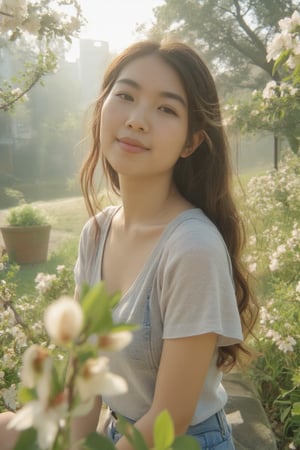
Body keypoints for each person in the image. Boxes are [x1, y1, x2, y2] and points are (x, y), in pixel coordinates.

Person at [0, 40, 258, 450]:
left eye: (166, 109)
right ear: (103, 107)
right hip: (121, 434)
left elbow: (168, 419)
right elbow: (85, 382)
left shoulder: (192, 248)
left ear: (191, 143)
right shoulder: (97, 233)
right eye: (125, 96)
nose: (137, 120)